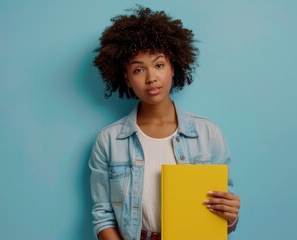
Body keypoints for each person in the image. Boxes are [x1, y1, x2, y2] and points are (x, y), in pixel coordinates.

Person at [89, 7, 240, 240]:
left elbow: (223, 217)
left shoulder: (207, 133)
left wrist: (231, 217)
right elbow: (103, 216)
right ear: (127, 79)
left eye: (159, 65)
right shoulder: (108, 140)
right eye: (138, 69)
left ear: (173, 67)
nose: (151, 77)